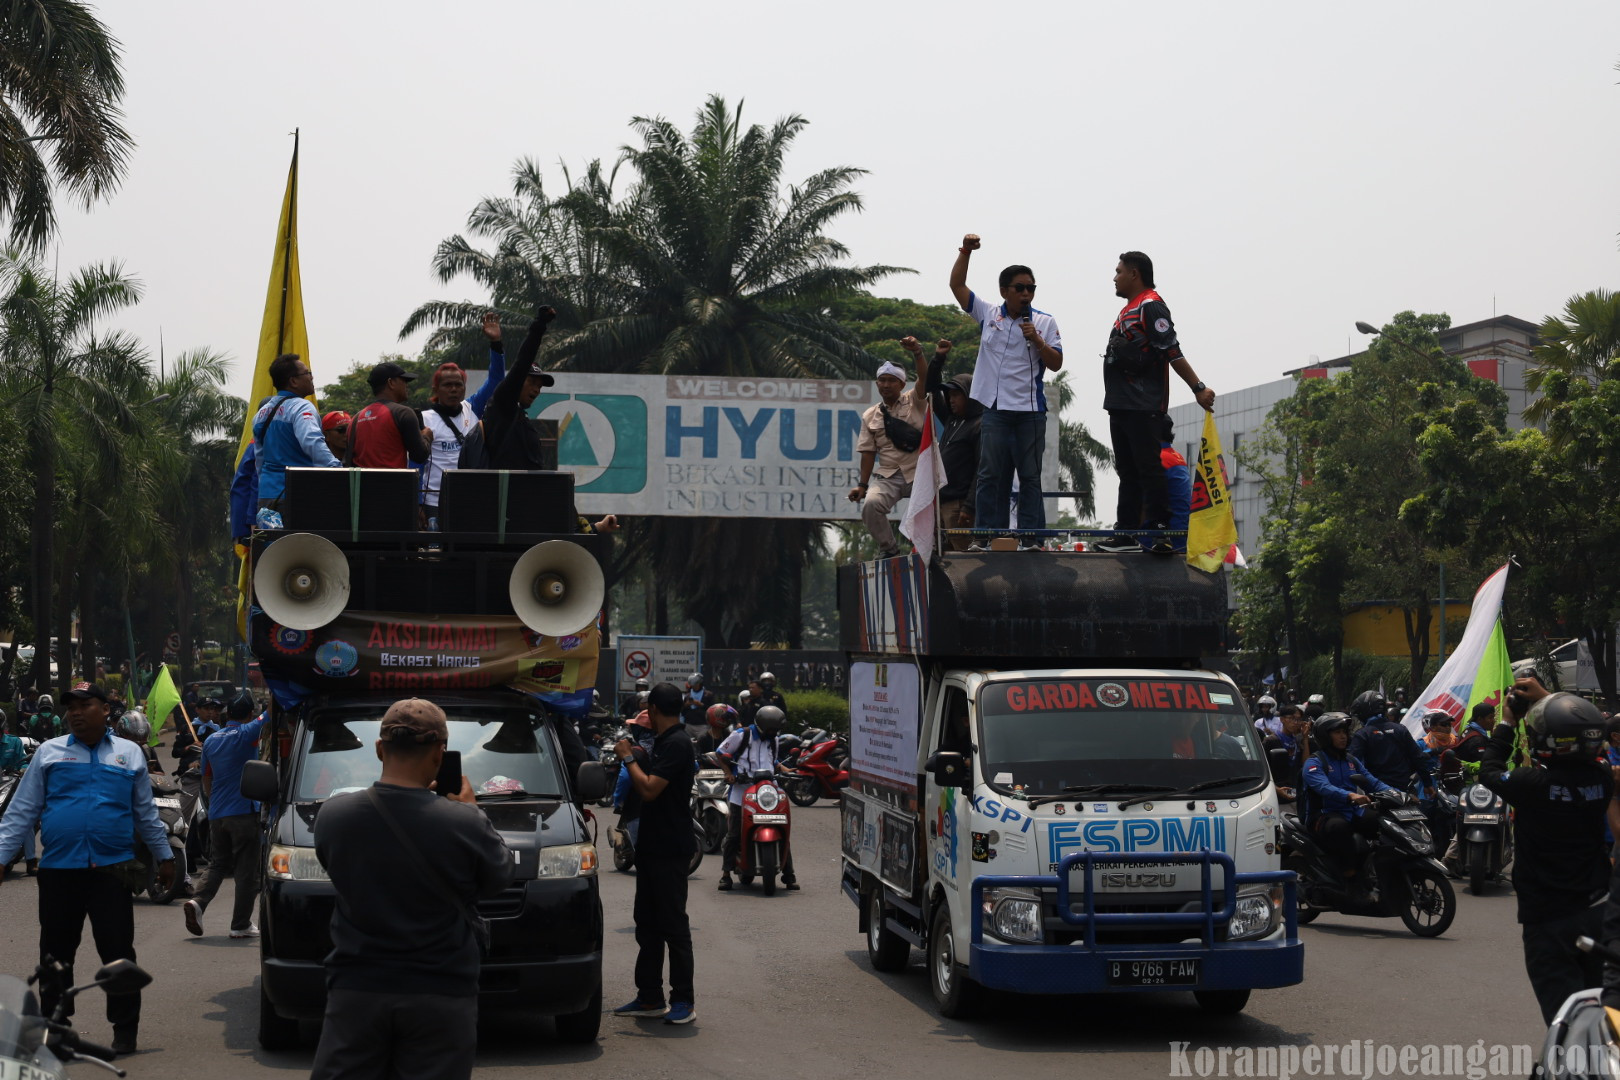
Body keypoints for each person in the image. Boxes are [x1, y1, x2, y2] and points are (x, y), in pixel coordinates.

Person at [308, 698, 512, 1080]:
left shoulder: (333, 817)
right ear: (440, 754)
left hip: (357, 989)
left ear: (380, 748)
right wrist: (472, 811)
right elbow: (498, 877)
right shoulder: (464, 823)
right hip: (441, 991)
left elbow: (338, 871)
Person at [0, 682, 173, 1055]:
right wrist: (1, 857)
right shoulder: (49, 752)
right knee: (56, 955)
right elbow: (22, 811)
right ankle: (56, 1029)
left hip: (112, 871)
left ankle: (125, 1031)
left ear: (105, 709)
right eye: (71, 707)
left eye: (85, 704)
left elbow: (146, 813)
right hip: (60, 871)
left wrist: (167, 857)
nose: (76, 712)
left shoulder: (129, 754)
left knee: (119, 953)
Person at [1479, 691, 1610, 1025]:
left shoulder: (1529, 783)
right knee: (1602, 1013)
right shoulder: (1603, 778)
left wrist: (1508, 721)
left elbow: (1490, 769)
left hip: (1548, 919)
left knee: (1564, 1022)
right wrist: (1550, 698)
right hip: (1597, 912)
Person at [1095, 252, 1216, 555]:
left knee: (1149, 467)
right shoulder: (1128, 310)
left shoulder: (1151, 306)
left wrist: (1198, 388)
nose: (1114, 277)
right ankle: (1126, 534)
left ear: (1134, 273)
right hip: (1120, 404)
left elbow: (1171, 350)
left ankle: (1159, 531)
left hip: (1142, 404)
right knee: (1127, 470)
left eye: (1119, 271)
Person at [948, 235, 1062, 544]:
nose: (1026, 294)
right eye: (1020, 288)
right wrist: (965, 252)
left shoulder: (1044, 321)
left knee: (1029, 478)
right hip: (996, 410)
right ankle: (988, 537)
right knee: (989, 477)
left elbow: (1056, 363)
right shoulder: (988, 314)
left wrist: (1037, 340)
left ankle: (1031, 539)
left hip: (1030, 413)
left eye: (1031, 288)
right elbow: (957, 287)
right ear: (1004, 291)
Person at [611, 682, 696, 1025]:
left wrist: (628, 758)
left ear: (655, 710)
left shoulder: (677, 743)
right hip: (650, 846)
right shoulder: (663, 741)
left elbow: (648, 790)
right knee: (646, 924)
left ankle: (683, 1001)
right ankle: (649, 996)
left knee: (673, 926)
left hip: (671, 849)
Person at [182, 693, 269, 939]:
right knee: (246, 871)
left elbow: (206, 777)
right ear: (249, 715)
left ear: (226, 714)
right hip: (243, 812)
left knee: (217, 864)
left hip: (217, 813)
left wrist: (216, 803)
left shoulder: (211, 740)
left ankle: (198, 902)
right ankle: (240, 924)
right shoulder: (248, 732)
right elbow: (271, 712)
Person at [419, 312, 508, 529]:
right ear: (436, 389)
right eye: (447, 385)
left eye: (458, 385)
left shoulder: (472, 408)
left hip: (468, 498)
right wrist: (418, 503)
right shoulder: (424, 419)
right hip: (433, 502)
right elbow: (417, 463)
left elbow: (497, 380)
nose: (453, 389)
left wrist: (496, 343)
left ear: (464, 388)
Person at [848, 341, 929, 558]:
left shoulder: (915, 401)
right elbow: (867, 452)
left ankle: (933, 549)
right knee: (871, 506)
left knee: (938, 507)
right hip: (889, 476)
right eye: (882, 381)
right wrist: (862, 486)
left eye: (891, 380)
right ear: (877, 384)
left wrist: (918, 353)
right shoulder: (870, 415)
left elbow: (925, 377)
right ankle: (889, 550)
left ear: (902, 384)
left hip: (920, 472)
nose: (886, 385)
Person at [1302, 711, 1392, 896]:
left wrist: (1399, 794)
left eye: (1345, 731)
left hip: (1351, 811)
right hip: (1323, 816)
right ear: (1325, 736)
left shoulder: (1351, 760)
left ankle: (1375, 870)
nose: (1343, 736)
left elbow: (1373, 782)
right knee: (1340, 828)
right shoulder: (1314, 762)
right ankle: (1350, 878)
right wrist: (1350, 795)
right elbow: (1323, 787)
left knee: (1382, 823)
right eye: (1337, 732)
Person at [715, 704, 798, 892]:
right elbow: (721, 753)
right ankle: (726, 874)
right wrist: (728, 773)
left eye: (776, 730)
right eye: (771, 729)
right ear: (761, 725)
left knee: (781, 827)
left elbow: (773, 760)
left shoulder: (774, 740)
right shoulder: (741, 735)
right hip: (742, 791)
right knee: (734, 833)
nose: (773, 733)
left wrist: (784, 769)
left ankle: (789, 873)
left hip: (768, 791)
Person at [252, 353, 341, 509]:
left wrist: (265, 486)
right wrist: (336, 469)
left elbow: (259, 459)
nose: (311, 377)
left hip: (267, 496)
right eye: (307, 373)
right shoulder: (301, 407)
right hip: (297, 494)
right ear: (293, 381)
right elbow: (311, 441)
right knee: (303, 535)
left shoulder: (261, 414)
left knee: (273, 535)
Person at [474, 307, 558, 470]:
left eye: (539, 386)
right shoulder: (502, 405)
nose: (536, 390)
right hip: (502, 493)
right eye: (532, 382)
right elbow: (522, 363)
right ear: (517, 381)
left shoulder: (521, 419)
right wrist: (539, 325)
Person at [922, 339, 982, 552]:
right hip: (941, 502)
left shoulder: (979, 425)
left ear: (970, 395)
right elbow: (930, 389)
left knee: (965, 560)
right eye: (948, 395)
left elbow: (981, 470)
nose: (950, 400)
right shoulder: (951, 419)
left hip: (960, 506)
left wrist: (969, 506)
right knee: (943, 558)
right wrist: (938, 358)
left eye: (956, 395)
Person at [345, 361, 430, 471]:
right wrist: (426, 436)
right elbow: (419, 456)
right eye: (404, 381)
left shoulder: (356, 418)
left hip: (361, 487)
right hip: (393, 485)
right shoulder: (403, 413)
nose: (406, 385)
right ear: (391, 383)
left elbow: (349, 460)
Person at [1348, 690, 1434, 795]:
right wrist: (1428, 784)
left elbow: (1351, 765)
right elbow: (1417, 757)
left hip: (1378, 794)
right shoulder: (1400, 729)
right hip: (1405, 791)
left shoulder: (1362, 735)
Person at [0, 713, 36, 875]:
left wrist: (23, 769)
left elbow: (25, 761)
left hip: (11, 785)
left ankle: (31, 860)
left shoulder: (13, 742)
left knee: (22, 816)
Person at [1262, 704, 1310, 804]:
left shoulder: (1297, 740)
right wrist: (1276, 789)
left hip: (1294, 790)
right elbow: (1262, 770)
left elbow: (1305, 763)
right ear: (1282, 719)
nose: (1295, 723)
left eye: (1298, 719)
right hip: (1275, 793)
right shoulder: (1271, 741)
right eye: (1292, 719)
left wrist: (1305, 738)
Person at [681, 673, 715, 740]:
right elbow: (682, 712)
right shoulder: (687, 696)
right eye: (692, 685)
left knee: (701, 744)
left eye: (696, 684)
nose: (694, 686)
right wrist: (686, 705)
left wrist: (700, 705)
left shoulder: (708, 695)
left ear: (700, 683)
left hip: (702, 725)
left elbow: (712, 710)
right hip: (689, 724)